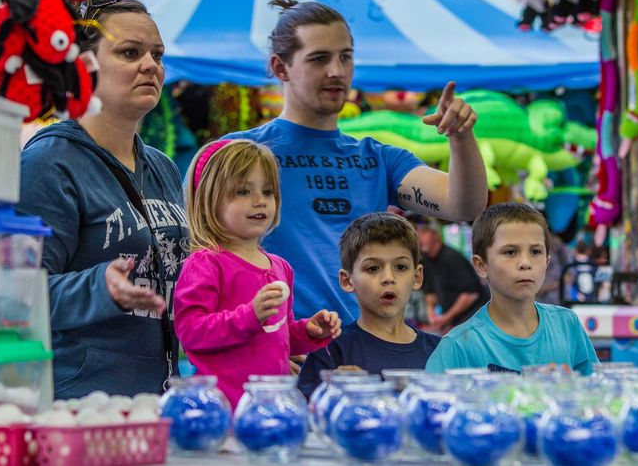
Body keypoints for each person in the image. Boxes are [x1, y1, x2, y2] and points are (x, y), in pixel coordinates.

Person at [223, 0, 487, 325]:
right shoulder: (235, 153)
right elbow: (202, 257)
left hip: (361, 359)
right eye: (319, 59)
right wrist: (260, 341)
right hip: (275, 359)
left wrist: (462, 138)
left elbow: (464, 206)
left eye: (345, 57)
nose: (337, 71)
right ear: (280, 67)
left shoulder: (376, 158)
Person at [17, 0, 188, 398]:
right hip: (81, 407)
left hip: (158, 404)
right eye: (130, 52)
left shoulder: (163, 167)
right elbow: (15, 295)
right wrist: (99, 286)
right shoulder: (48, 163)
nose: (151, 65)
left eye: (157, 54)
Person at [173, 139, 342, 409]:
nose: (259, 201)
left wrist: (308, 332)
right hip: (223, 409)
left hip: (270, 407)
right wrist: (249, 315)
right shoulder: (205, 264)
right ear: (209, 200)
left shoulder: (280, 267)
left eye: (267, 191)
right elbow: (191, 333)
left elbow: (276, 332)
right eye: (243, 191)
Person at [426, 203, 599, 375]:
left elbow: (596, 394)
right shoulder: (458, 346)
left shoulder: (567, 325)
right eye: (510, 252)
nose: (525, 263)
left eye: (536, 251)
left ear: (547, 262)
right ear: (481, 266)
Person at [297, 212, 441, 399]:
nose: (388, 278)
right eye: (373, 268)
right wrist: (333, 391)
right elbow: (307, 416)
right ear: (347, 280)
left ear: (417, 276)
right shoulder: (331, 351)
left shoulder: (440, 351)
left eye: (401, 267)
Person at [410, 215, 487, 333]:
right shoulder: (426, 260)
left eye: (424, 232)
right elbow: (430, 293)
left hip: (474, 319)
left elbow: (471, 294)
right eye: (417, 233)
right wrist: (431, 312)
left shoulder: (452, 257)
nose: (419, 237)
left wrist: (447, 318)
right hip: (454, 321)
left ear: (436, 235)